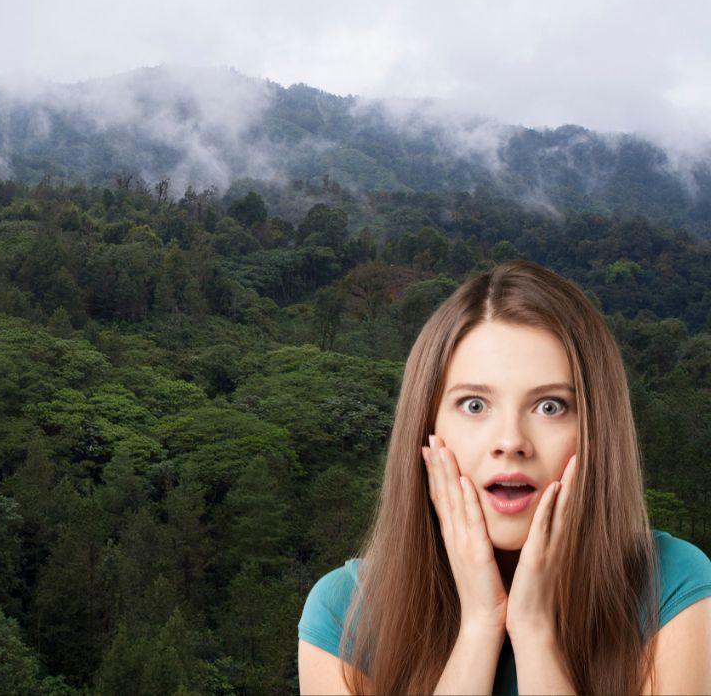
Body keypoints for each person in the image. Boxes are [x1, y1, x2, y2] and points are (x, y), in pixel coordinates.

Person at [296, 260, 711, 694]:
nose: (511, 442)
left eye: (550, 406)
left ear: (599, 431)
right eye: (474, 405)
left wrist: (534, 631)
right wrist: (480, 625)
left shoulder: (673, 584)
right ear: (428, 428)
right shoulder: (344, 612)